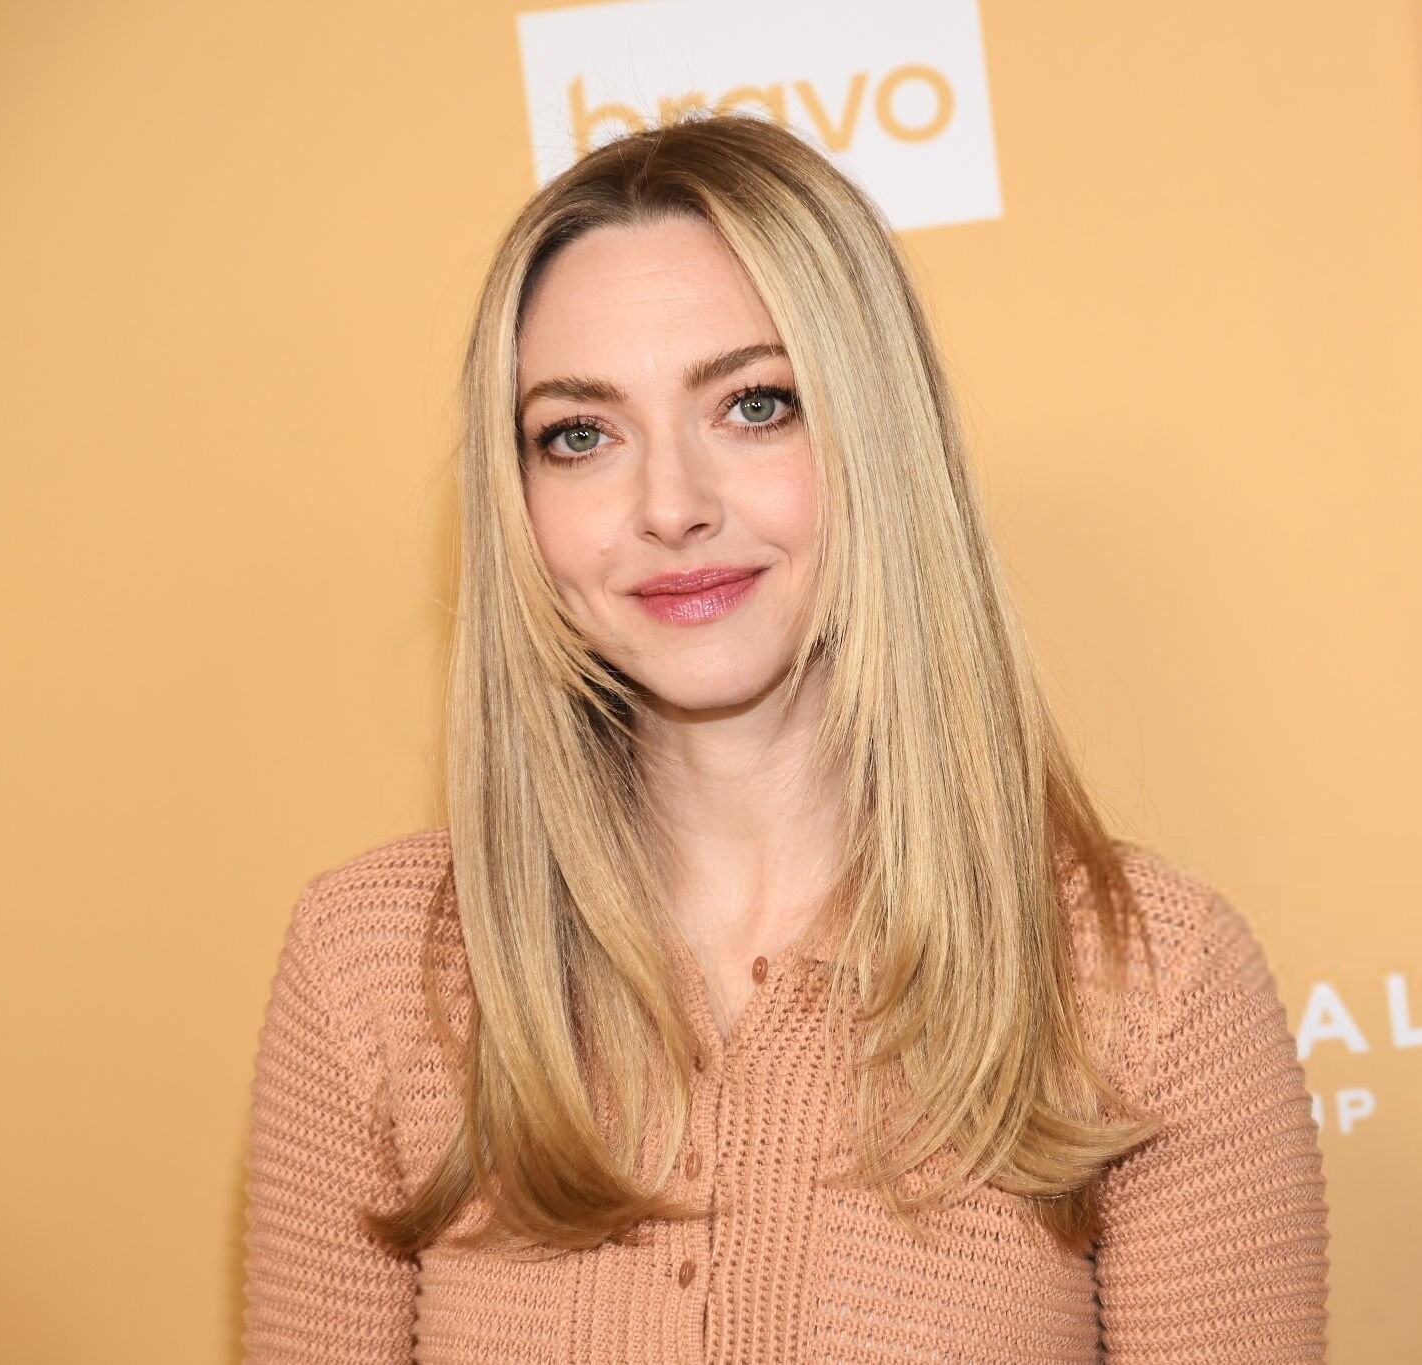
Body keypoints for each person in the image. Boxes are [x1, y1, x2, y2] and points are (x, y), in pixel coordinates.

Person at [242, 112, 1327, 1363]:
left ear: (876, 436)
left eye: (754, 406)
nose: (669, 507)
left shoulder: (1148, 981)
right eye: (580, 434)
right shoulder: (372, 967)